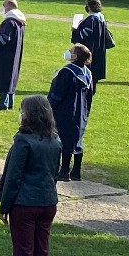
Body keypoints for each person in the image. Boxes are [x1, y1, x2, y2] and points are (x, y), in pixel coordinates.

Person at [0, 94, 63, 256]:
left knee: (24, 253)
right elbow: (54, 173)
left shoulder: (23, 141)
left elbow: (13, 177)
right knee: (41, 253)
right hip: (47, 202)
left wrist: (4, 206)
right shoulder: (55, 141)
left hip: (24, 204)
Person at [48, 44, 94, 181]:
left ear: (75, 56)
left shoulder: (67, 72)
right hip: (81, 112)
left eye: (71, 51)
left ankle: (63, 171)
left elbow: (58, 93)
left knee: (63, 139)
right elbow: (90, 95)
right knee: (77, 139)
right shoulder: (88, 74)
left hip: (65, 111)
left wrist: (49, 105)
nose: (68, 52)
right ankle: (76, 171)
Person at [0, 0, 27, 110]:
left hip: (5, 55)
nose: (3, 8)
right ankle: (10, 102)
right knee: (11, 78)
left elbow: (4, 39)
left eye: (4, 5)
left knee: (4, 78)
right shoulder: (20, 22)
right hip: (14, 54)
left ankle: (3, 103)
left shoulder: (10, 22)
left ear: (9, 6)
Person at [71, 0, 114, 84]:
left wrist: (75, 30)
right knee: (95, 72)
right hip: (99, 49)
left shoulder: (92, 20)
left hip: (91, 48)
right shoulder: (101, 18)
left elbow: (84, 36)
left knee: (90, 70)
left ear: (89, 7)